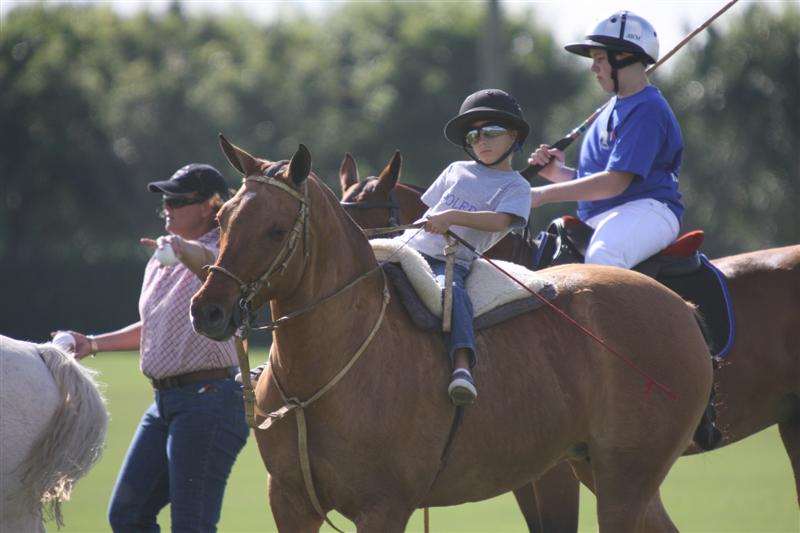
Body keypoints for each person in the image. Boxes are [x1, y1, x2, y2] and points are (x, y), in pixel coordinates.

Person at [61, 163, 249, 532]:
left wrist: (182, 249)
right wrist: (93, 343)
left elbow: (208, 263)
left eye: (177, 200)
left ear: (209, 206)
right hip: (166, 403)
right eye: (165, 200)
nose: (167, 207)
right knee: (127, 516)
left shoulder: (227, 252)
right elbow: (155, 326)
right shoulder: (163, 255)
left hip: (209, 401)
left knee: (191, 526)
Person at [401, 88, 532, 405]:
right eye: (473, 136)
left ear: (513, 136)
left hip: (449, 261)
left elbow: (500, 222)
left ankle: (461, 366)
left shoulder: (517, 186)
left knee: (452, 294)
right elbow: (429, 210)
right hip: (407, 245)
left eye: (491, 132)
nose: (480, 141)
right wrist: (433, 219)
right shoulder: (455, 170)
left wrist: (452, 217)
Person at [528, 11, 684, 269]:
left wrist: (541, 195)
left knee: (604, 255)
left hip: (647, 210)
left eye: (599, 58)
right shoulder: (611, 108)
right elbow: (598, 180)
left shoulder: (647, 108)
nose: (593, 67)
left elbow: (615, 182)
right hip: (604, 216)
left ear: (624, 56)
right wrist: (558, 174)